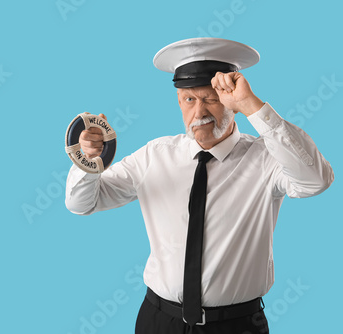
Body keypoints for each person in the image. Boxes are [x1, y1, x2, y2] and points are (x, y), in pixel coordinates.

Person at [64, 38, 334, 334]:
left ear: (232, 104)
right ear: (178, 101)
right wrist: (89, 160)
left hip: (236, 326)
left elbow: (316, 180)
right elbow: (82, 203)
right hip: (158, 321)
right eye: (189, 100)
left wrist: (253, 106)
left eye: (211, 99)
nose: (199, 113)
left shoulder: (266, 159)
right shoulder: (154, 156)